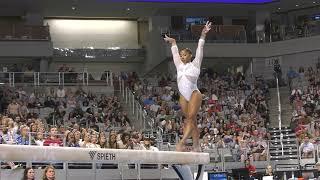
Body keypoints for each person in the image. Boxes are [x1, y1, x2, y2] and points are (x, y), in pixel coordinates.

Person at [164, 21, 212, 152]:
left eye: (184, 55)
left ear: (190, 55)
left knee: (190, 118)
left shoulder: (196, 63)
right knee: (192, 121)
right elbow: (174, 53)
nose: (182, 57)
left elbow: (200, 48)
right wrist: (173, 42)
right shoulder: (179, 65)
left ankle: (182, 142)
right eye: (181, 55)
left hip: (194, 93)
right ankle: (196, 145)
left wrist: (203, 34)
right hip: (183, 96)